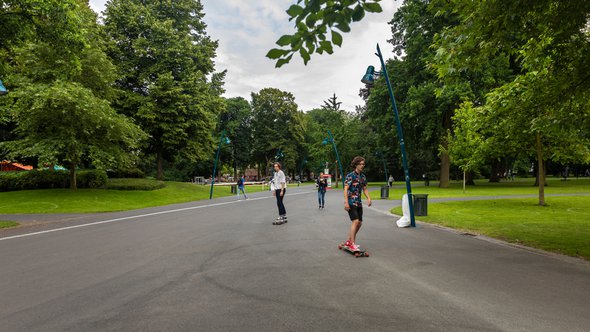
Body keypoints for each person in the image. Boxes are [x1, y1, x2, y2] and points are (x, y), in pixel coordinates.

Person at [343, 156, 372, 251]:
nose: (362, 166)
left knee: (359, 223)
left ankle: (349, 241)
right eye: (361, 164)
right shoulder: (350, 176)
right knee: (355, 221)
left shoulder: (363, 177)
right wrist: (346, 202)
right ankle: (352, 244)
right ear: (356, 164)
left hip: (358, 202)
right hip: (351, 202)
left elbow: (365, 189)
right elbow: (345, 189)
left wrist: (368, 198)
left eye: (363, 164)